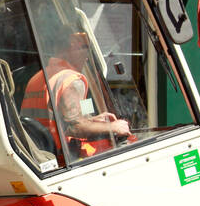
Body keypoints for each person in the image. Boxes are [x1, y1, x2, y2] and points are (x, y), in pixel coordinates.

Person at [21, 29, 129, 160]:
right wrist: (113, 127)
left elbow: (66, 118)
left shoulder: (38, 77)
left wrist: (93, 119)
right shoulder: (72, 80)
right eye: (82, 48)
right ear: (68, 49)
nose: (87, 56)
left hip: (41, 154)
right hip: (62, 158)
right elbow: (75, 127)